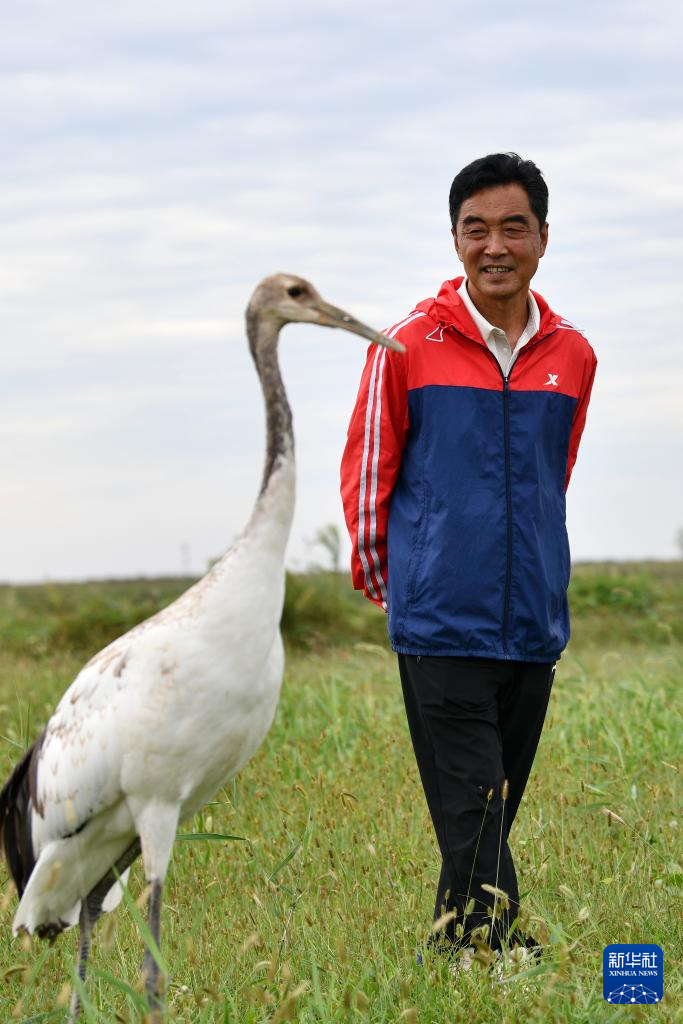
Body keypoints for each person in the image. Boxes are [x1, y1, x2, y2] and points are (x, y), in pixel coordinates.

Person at [340, 153, 596, 964]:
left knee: (484, 810)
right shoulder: (405, 346)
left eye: (512, 227)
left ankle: (452, 948)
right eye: (475, 228)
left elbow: (553, 477)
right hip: (439, 621)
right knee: (475, 806)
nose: (494, 246)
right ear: (454, 239)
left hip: (531, 624)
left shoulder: (572, 354)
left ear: (542, 237)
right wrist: (404, 589)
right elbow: (368, 474)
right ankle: (510, 953)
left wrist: (541, 578)